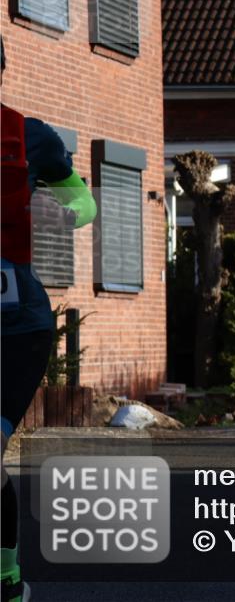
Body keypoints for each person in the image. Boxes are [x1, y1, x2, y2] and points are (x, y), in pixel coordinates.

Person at [2, 38, 97, 602]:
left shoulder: (29, 135)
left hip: (17, 328)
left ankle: (8, 576)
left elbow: (84, 201)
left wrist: (62, 211)